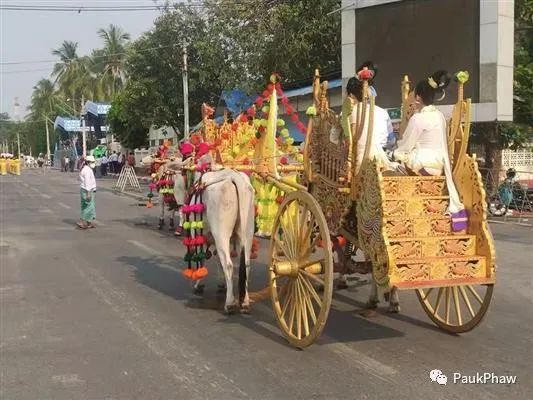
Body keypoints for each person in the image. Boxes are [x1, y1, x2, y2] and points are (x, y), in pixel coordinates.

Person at [393, 70, 466, 230]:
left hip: (422, 164)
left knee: (394, 161)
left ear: (418, 97)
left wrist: (395, 153)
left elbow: (405, 146)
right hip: (440, 166)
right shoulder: (439, 116)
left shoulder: (418, 118)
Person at [78, 156, 97, 229]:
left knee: (88, 206)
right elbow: (87, 182)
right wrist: (88, 193)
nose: (93, 163)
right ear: (88, 162)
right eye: (92, 162)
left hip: (86, 189)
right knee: (88, 207)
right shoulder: (87, 170)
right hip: (87, 190)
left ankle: (89, 222)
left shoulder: (87, 169)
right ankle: (83, 222)